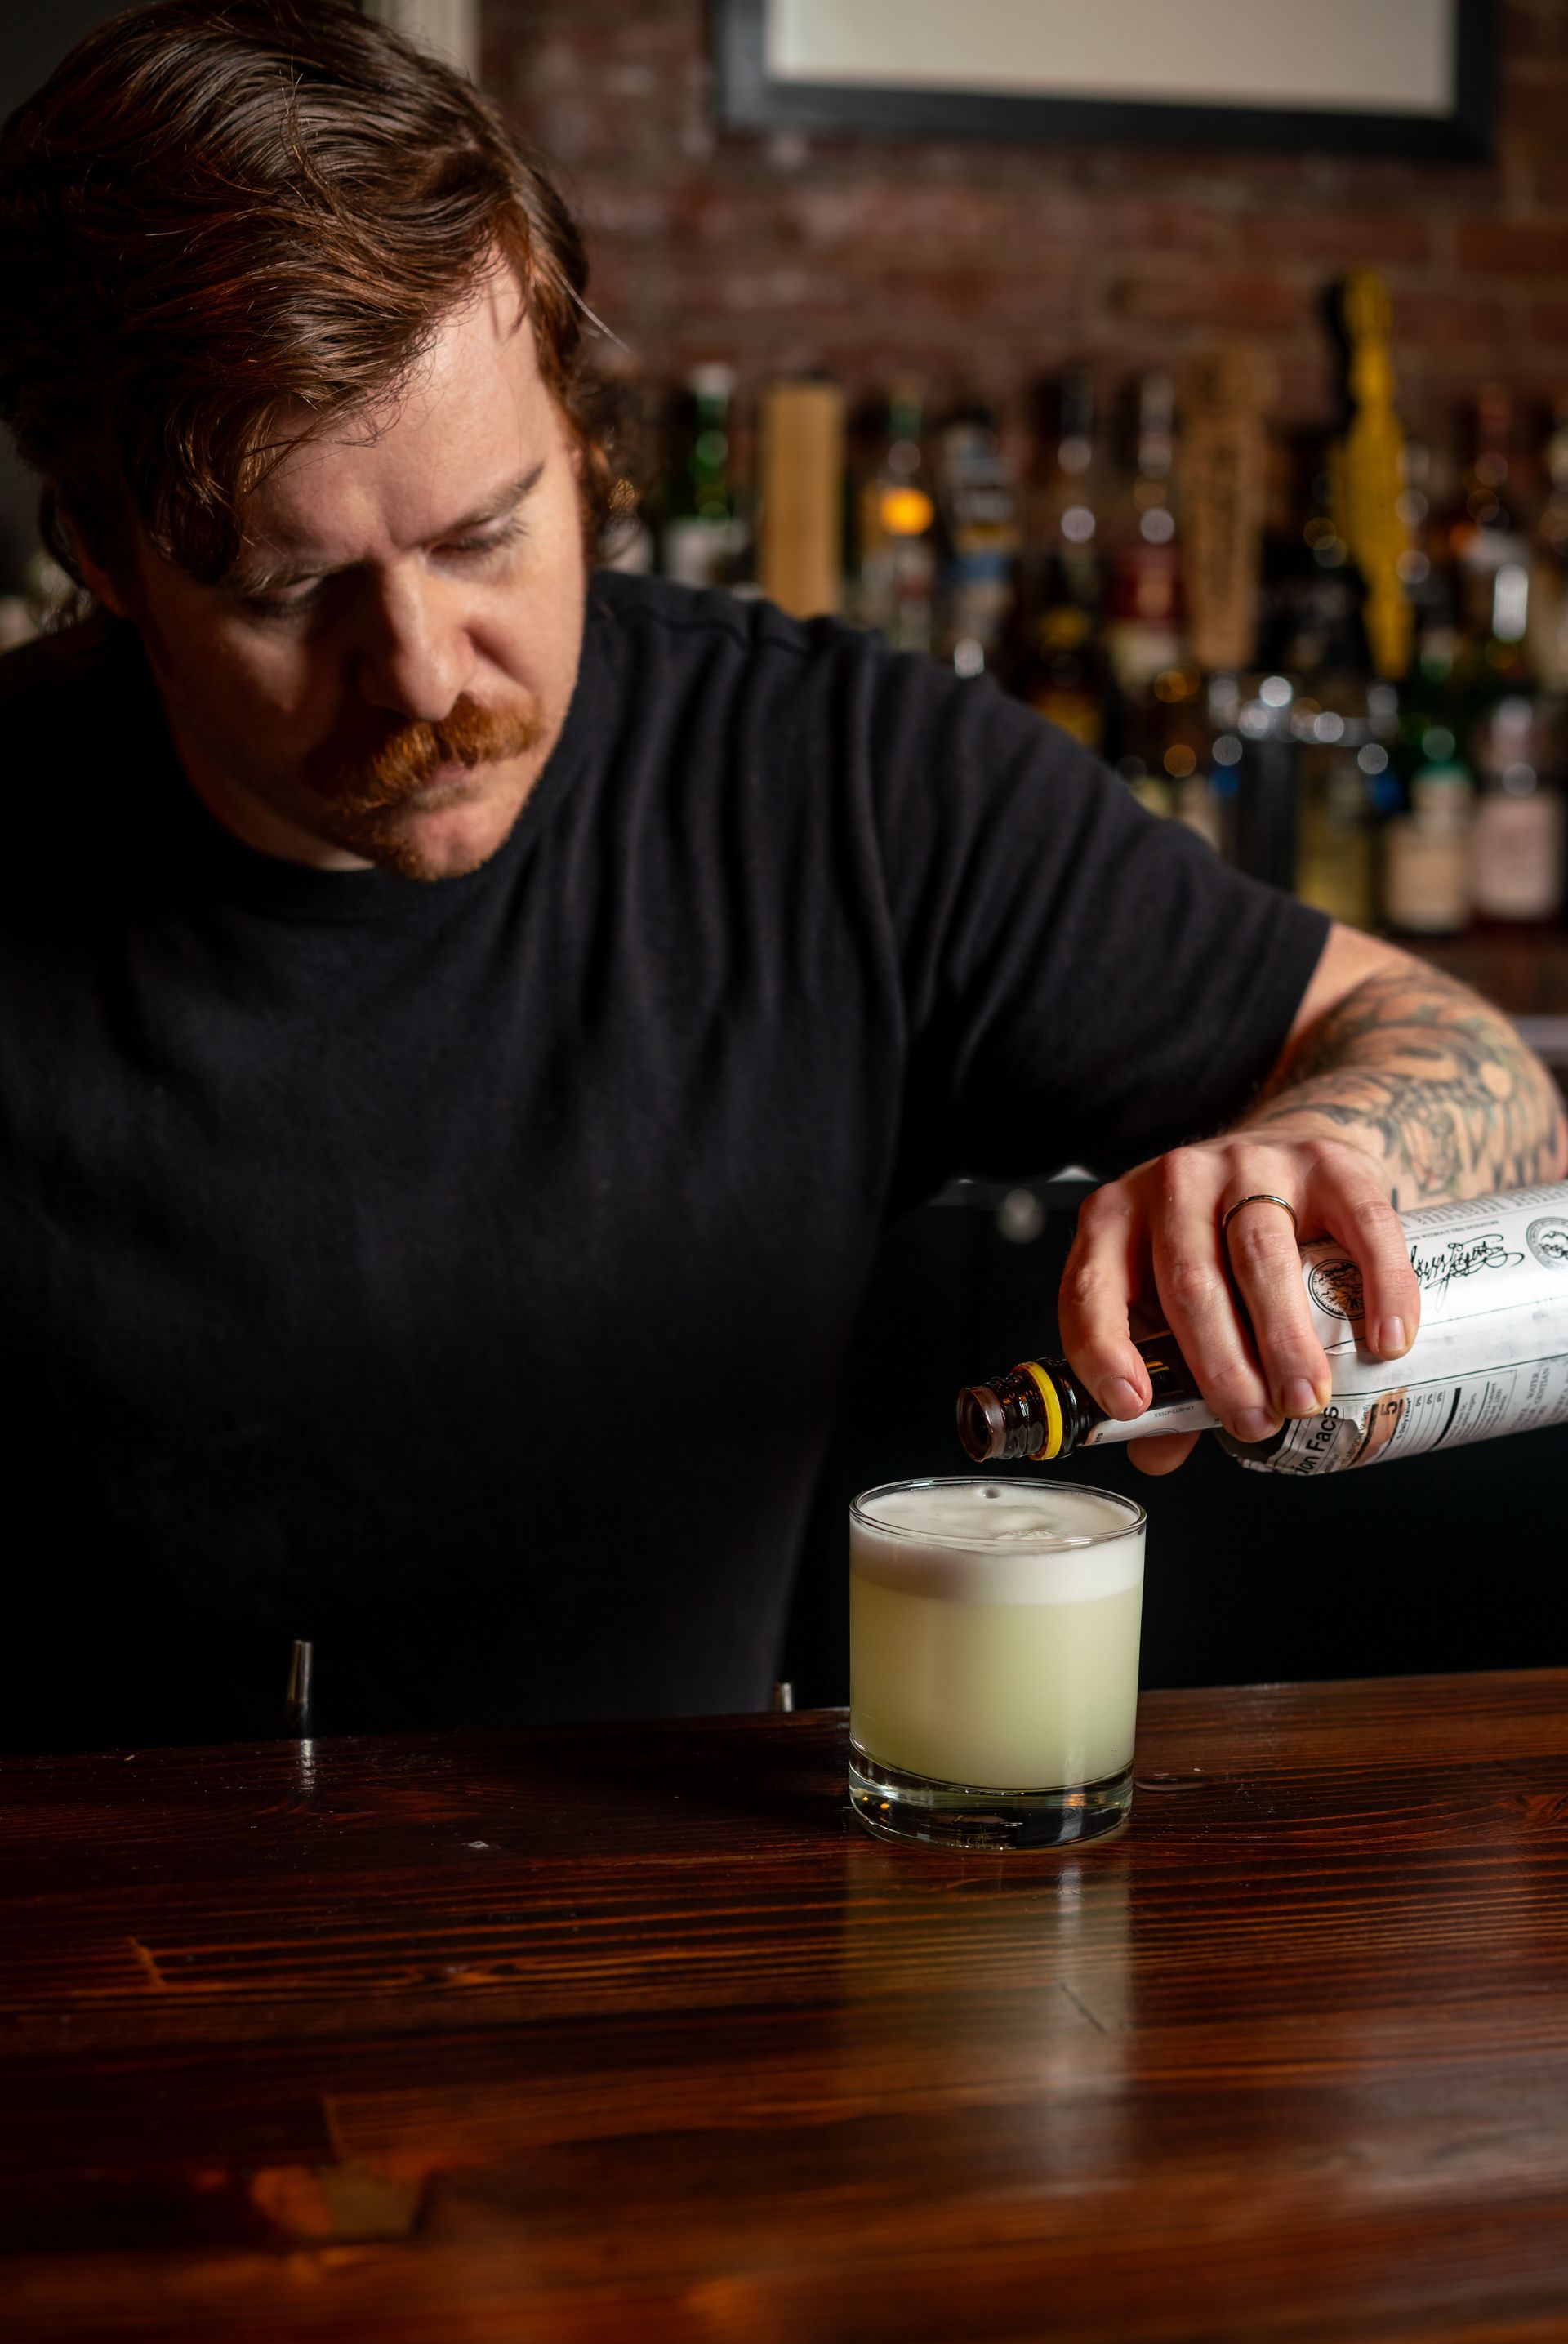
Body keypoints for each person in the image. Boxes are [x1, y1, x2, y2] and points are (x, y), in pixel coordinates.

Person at [0, 1, 1560, 1752]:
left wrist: (1327, 1153)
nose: (425, 674)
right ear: (104, 560)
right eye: (287, 593)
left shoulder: (840, 787)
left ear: (587, 451)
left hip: (684, 1947)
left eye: (485, 535)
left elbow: (1469, 1061)